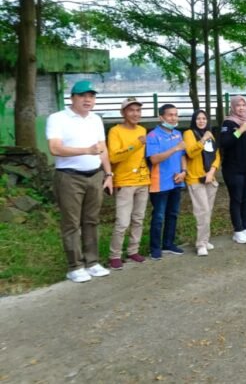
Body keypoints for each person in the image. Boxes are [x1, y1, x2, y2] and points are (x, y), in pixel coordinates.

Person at [46, 80, 113, 283]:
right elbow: (55, 148)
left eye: (91, 96)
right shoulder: (58, 118)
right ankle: (75, 266)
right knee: (71, 223)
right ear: (72, 97)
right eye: (82, 95)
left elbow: (102, 149)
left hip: (95, 176)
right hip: (69, 177)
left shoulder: (95, 119)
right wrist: (86, 150)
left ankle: (92, 262)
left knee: (91, 220)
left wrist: (108, 174)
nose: (87, 100)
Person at [107, 97, 150, 270]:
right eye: (131, 110)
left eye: (138, 110)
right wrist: (136, 144)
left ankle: (133, 250)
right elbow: (113, 157)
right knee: (122, 222)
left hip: (143, 180)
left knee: (138, 219)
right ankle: (114, 255)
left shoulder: (142, 129)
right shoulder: (115, 131)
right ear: (123, 113)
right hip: (125, 182)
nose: (135, 114)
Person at [146, 103, 187, 259]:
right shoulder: (153, 136)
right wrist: (175, 148)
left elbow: (183, 155)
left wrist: (184, 172)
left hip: (176, 181)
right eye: (170, 115)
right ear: (161, 117)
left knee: (173, 214)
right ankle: (155, 248)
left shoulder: (178, 134)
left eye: (176, 114)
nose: (173, 118)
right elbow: (154, 159)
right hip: (160, 183)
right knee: (159, 216)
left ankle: (168, 244)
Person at [220, 95, 246, 245]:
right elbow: (225, 143)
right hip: (233, 169)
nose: (241, 108)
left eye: (244, 105)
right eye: (238, 105)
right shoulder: (228, 123)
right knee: (236, 199)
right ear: (232, 107)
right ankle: (238, 230)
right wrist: (240, 131)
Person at [184, 110, 221, 256]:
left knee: (208, 211)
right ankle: (200, 244)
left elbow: (216, 155)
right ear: (194, 120)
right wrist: (203, 140)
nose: (201, 121)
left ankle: (205, 240)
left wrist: (212, 172)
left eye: (204, 118)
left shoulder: (210, 134)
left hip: (209, 178)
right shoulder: (189, 134)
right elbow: (190, 153)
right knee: (202, 211)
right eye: (198, 118)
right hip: (195, 179)